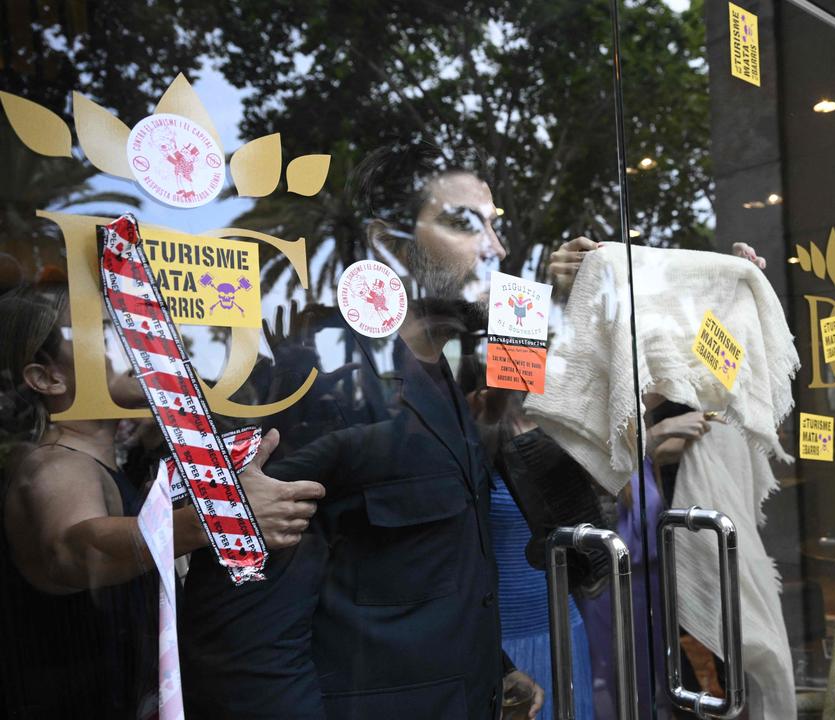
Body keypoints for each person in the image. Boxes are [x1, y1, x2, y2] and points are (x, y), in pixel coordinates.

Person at [180, 155, 544, 719]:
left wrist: (490, 668)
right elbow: (246, 637)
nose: (495, 248)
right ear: (389, 243)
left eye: (496, 226)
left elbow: (416, 571)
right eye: (466, 223)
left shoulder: (436, 377)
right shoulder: (326, 394)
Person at [0, 284, 321, 718]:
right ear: (47, 378)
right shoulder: (59, 466)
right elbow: (74, 549)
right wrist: (221, 518)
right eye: (105, 333)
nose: (133, 344)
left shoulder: (98, 461)